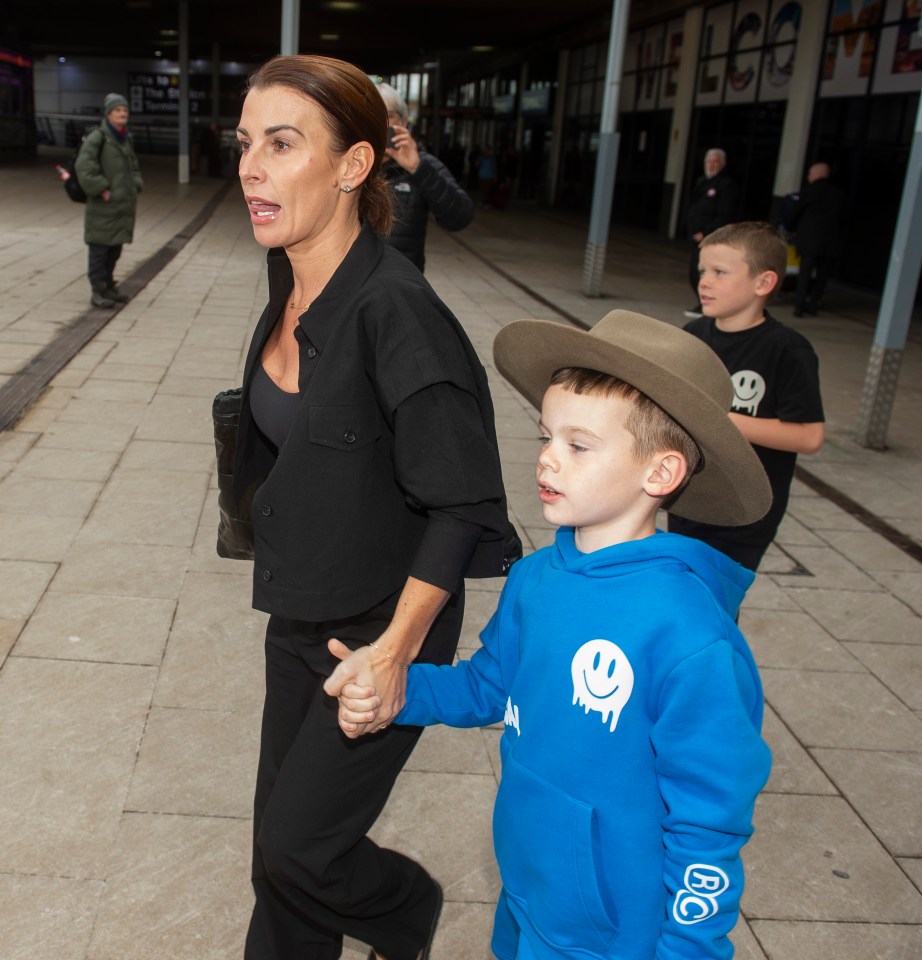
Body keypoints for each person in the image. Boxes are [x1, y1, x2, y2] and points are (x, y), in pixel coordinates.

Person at [327, 308, 774, 960]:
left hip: (614, 931)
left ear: (660, 474)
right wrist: (401, 690)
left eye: (579, 446)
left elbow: (709, 823)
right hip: (530, 887)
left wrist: (689, 951)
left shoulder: (690, 636)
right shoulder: (535, 579)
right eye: (546, 438)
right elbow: (489, 684)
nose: (548, 462)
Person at [232, 54, 516, 960]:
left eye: (282, 144)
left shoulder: (398, 311)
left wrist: (394, 655)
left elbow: (465, 502)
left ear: (354, 166)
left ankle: (403, 911)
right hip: (302, 605)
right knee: (276, 852)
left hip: (382, 622)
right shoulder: (291, 280)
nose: (251, 167)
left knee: (299, 845)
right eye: (245, 144)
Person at [669, 221, 825, 571]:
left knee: (714, 602)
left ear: (763, 282)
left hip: (745, 511)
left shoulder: (787, 350)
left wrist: (724, 422)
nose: (704, 282)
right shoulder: (693, 334)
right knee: (681, 592)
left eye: (719, 272)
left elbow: (810, 436)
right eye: (702, 271)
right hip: (688, 498)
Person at [375, 82, 473, 272]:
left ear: (403, 123)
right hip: (351, 282)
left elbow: (460, 217)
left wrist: (417, 168)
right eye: (370, 115)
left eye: (387, 115)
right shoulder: (350, 161)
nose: (378, 123)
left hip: (400, 283)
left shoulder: (422, 164)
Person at [74, 92, 143, 308]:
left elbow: (133, 166)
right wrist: (101, 188)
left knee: (114, 249)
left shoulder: (125, 137)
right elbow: (84, 166)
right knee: (99, 251)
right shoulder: (99, 137)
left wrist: (136, 183)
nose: (122, 114)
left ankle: (109, 286)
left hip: (121, 206)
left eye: (124, 110)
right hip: (103, 207)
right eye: (117, 110)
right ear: (108, 114)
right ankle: (98, 290)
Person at [787, 161, 847, 317]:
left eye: (810, 173)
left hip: (809, 241)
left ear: (817, 174)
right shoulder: (838, 194)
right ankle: (813, 303)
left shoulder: (809, 191)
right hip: (830, 242)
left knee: (804, 273)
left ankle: (799, 304)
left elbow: (796, 212)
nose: (808, 176)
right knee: (823, 275)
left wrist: (791, 228)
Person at [684, 147, 739, 317]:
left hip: (712, 239)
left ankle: (708, 307)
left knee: (702, 272)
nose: (712, 165)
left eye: (716, 162)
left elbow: (725, 214)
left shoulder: (726, 185)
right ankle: (704, 305)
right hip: (696, 237)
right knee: (694, 272)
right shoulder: (702, 182)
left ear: (722, 165)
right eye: (709, 161)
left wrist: (707, 232)